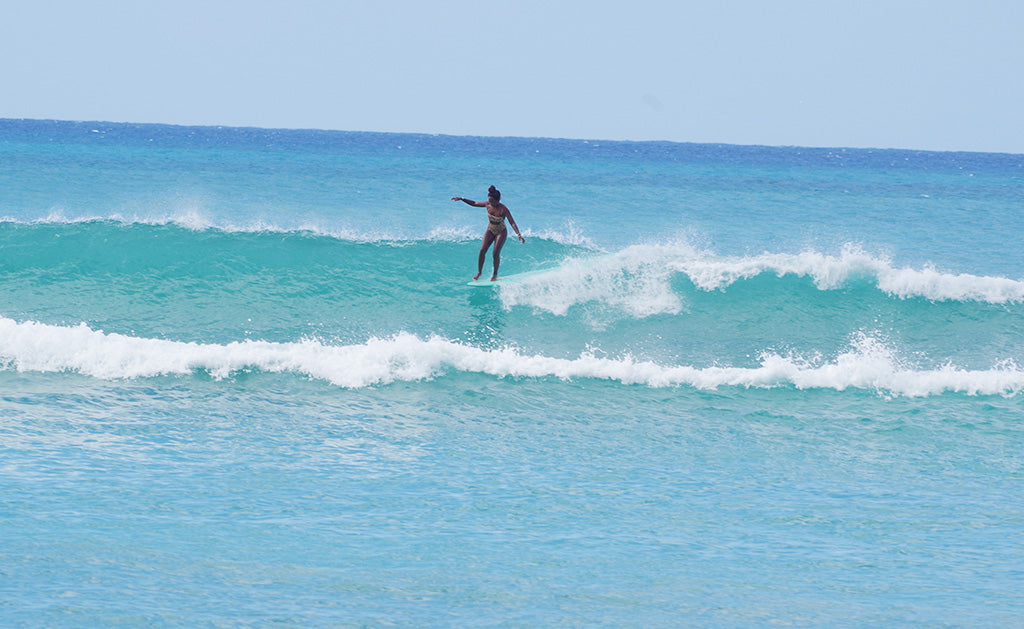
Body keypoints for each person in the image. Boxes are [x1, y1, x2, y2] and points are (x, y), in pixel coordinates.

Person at [451, 185, 524, 281]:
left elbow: (512, 222)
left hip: (501, 231)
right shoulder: (487, 205)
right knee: (482, 250)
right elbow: (474, 203)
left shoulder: (503, 209)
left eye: (492, 201)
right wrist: (462, 199)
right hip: (490, 229)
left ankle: (495, 275)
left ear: (498, 200)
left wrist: (518, 234)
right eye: (489, 200)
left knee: (495, 254)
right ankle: (479, 272)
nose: (490, 202)